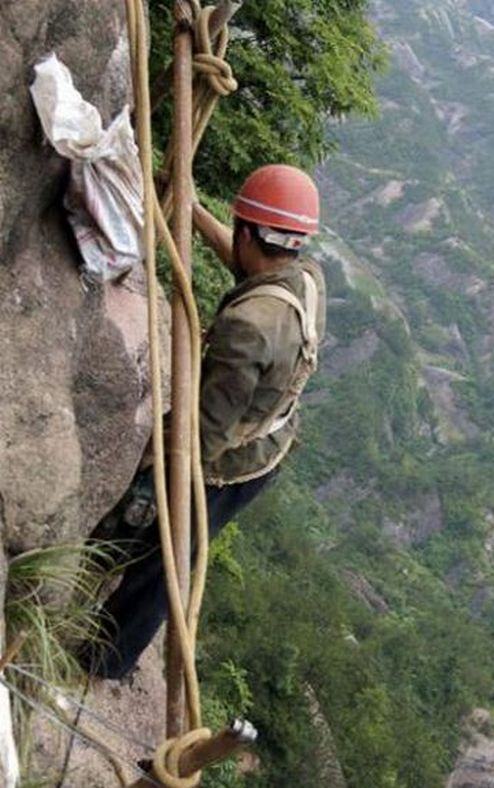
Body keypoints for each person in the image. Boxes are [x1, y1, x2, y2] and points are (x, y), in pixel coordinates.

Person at [79, 164, 326, 679]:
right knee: (165, 540)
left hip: (228, 461)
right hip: (271, 443)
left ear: (248, 234)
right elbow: (248, 265)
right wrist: (190, 212)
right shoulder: (305, 278)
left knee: (165, 556)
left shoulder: (247, 328)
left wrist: (157, 465)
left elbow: (207, 432)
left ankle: (104, 661)